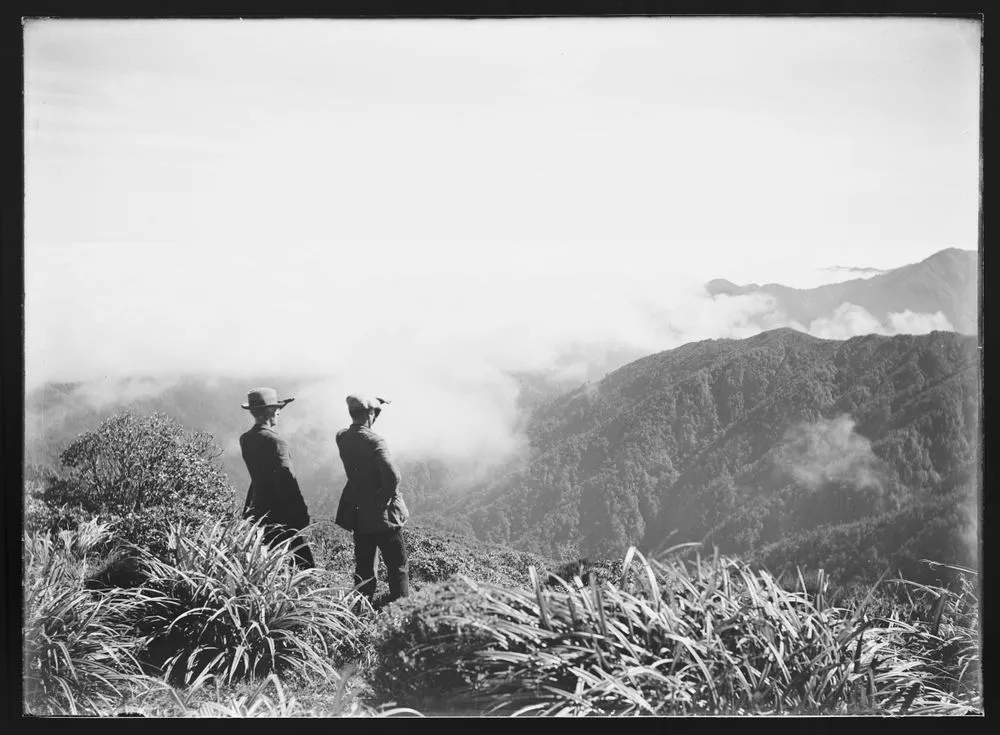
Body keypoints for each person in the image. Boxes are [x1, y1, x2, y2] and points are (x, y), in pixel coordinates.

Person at [335, 394, 409, 604]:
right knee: (398, 566)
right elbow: (394, 476)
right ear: (369, 414)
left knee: (364, 567)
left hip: (358, 513)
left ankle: (361, 609)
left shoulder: (342, 437)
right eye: (375, 413)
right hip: (382, 516)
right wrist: (384, 498)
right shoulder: (375, 441)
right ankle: (400, 610)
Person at [240, 387, 315, 569]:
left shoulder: (246, 439)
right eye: (277, 409)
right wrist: (302, 514)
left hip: (259, 511)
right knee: (304, 564)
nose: (280, 413)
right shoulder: (276, 442)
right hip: (283, 514)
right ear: (269, 411)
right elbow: (287, 482)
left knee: (271, 562)